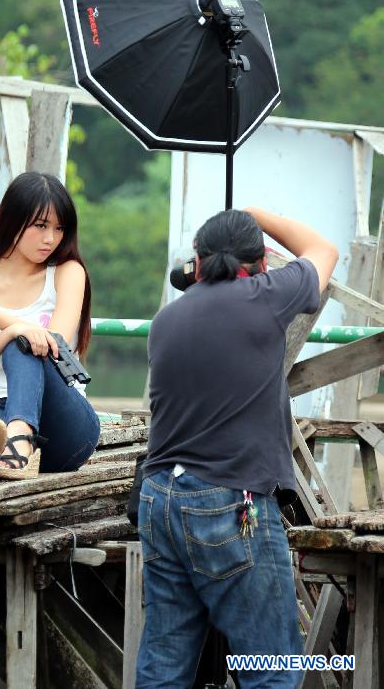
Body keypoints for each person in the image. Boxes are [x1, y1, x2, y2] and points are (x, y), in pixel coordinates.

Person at [136, 207, 339, 688]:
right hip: (230, 503)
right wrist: (256, 215)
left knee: (164, 669)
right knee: (271, 671)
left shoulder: (165, 320)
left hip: (159, 499)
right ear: (262, 260)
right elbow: (324, 251)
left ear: (197, 261)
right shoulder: (265, 297)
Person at [0, 171, 100, 478]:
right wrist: (10, 329)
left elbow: (55, 344)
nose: (51, 238)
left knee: (24, 343)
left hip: (64, 423)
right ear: (11, 221)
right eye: (40, 226)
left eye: (59, 228)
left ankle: (18, 443)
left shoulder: (67, 272)